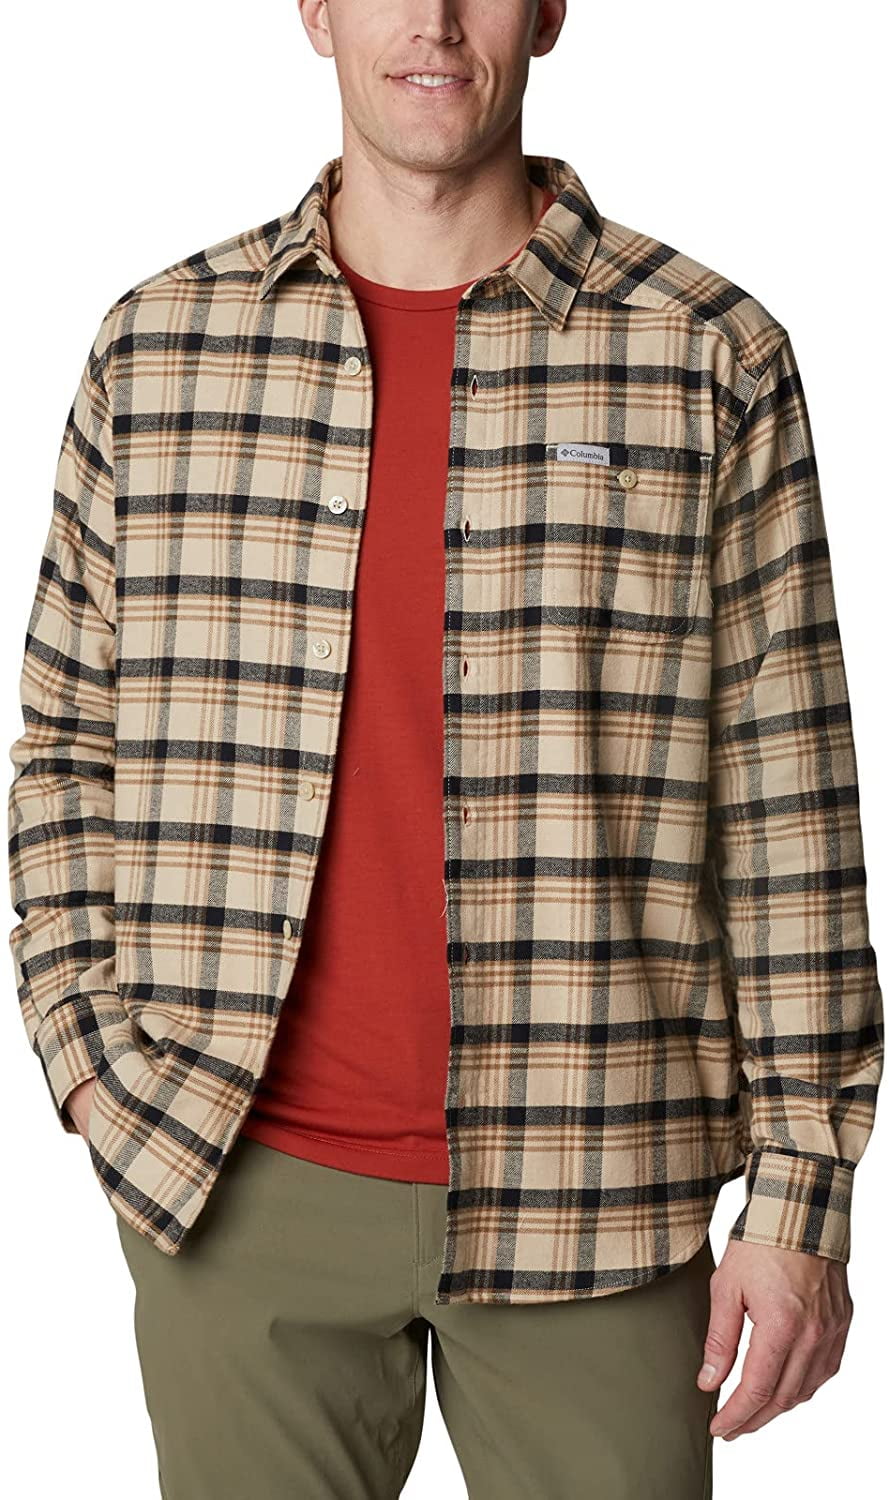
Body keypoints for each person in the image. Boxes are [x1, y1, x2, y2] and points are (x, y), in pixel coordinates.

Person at [7, 2, 883, 1496]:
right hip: (231, 1181)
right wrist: (93, 1064)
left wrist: (802, 1197)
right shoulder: (158, 350)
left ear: (547, 10)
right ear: (314, 10)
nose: (430, 20)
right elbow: (66, 744)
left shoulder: (705, 354)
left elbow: (786, 792)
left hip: (598, 1183)